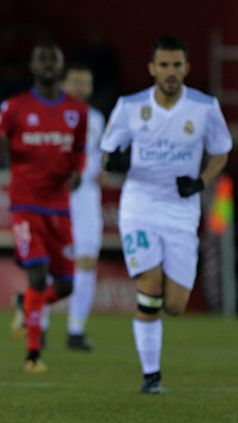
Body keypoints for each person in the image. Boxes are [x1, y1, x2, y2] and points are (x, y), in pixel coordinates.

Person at [100, 35, 232, 394]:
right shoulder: (130, 106)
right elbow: (107, 154)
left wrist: (201, 182)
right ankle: (151, 376)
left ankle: (152, 349)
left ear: (186, 68)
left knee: (174, 305)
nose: (170, 72)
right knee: (150, 286)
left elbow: (221, 152)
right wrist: (117, 161)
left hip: (180, 211)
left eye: (177, 66)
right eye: (164, 65)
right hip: (139, 207)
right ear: (152, 68)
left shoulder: (205, 107)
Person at [0, 42, 87, 373]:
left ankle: (27, 307)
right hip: (26, 204)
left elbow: (80, 152)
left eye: (53, 59)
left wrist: (77, 175)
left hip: (60, 208)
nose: (47, 64)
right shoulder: (15, 107)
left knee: (67, 285)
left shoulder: (77, 111)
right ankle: (33, 353)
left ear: (61, 65)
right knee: (38, 275)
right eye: (42, 59)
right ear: (32, 65)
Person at [63, 63, 106, 351]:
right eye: (75, 81)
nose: (80, 87)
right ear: (65, 83)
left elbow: (100, 157)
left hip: (87, 196)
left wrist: (92, 172)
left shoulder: (97, 119)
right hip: (56, 194)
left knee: (87, 261)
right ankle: (38, 326)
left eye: (85, 83)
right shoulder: (50, 112)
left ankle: (75, 330)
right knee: (52, 262)